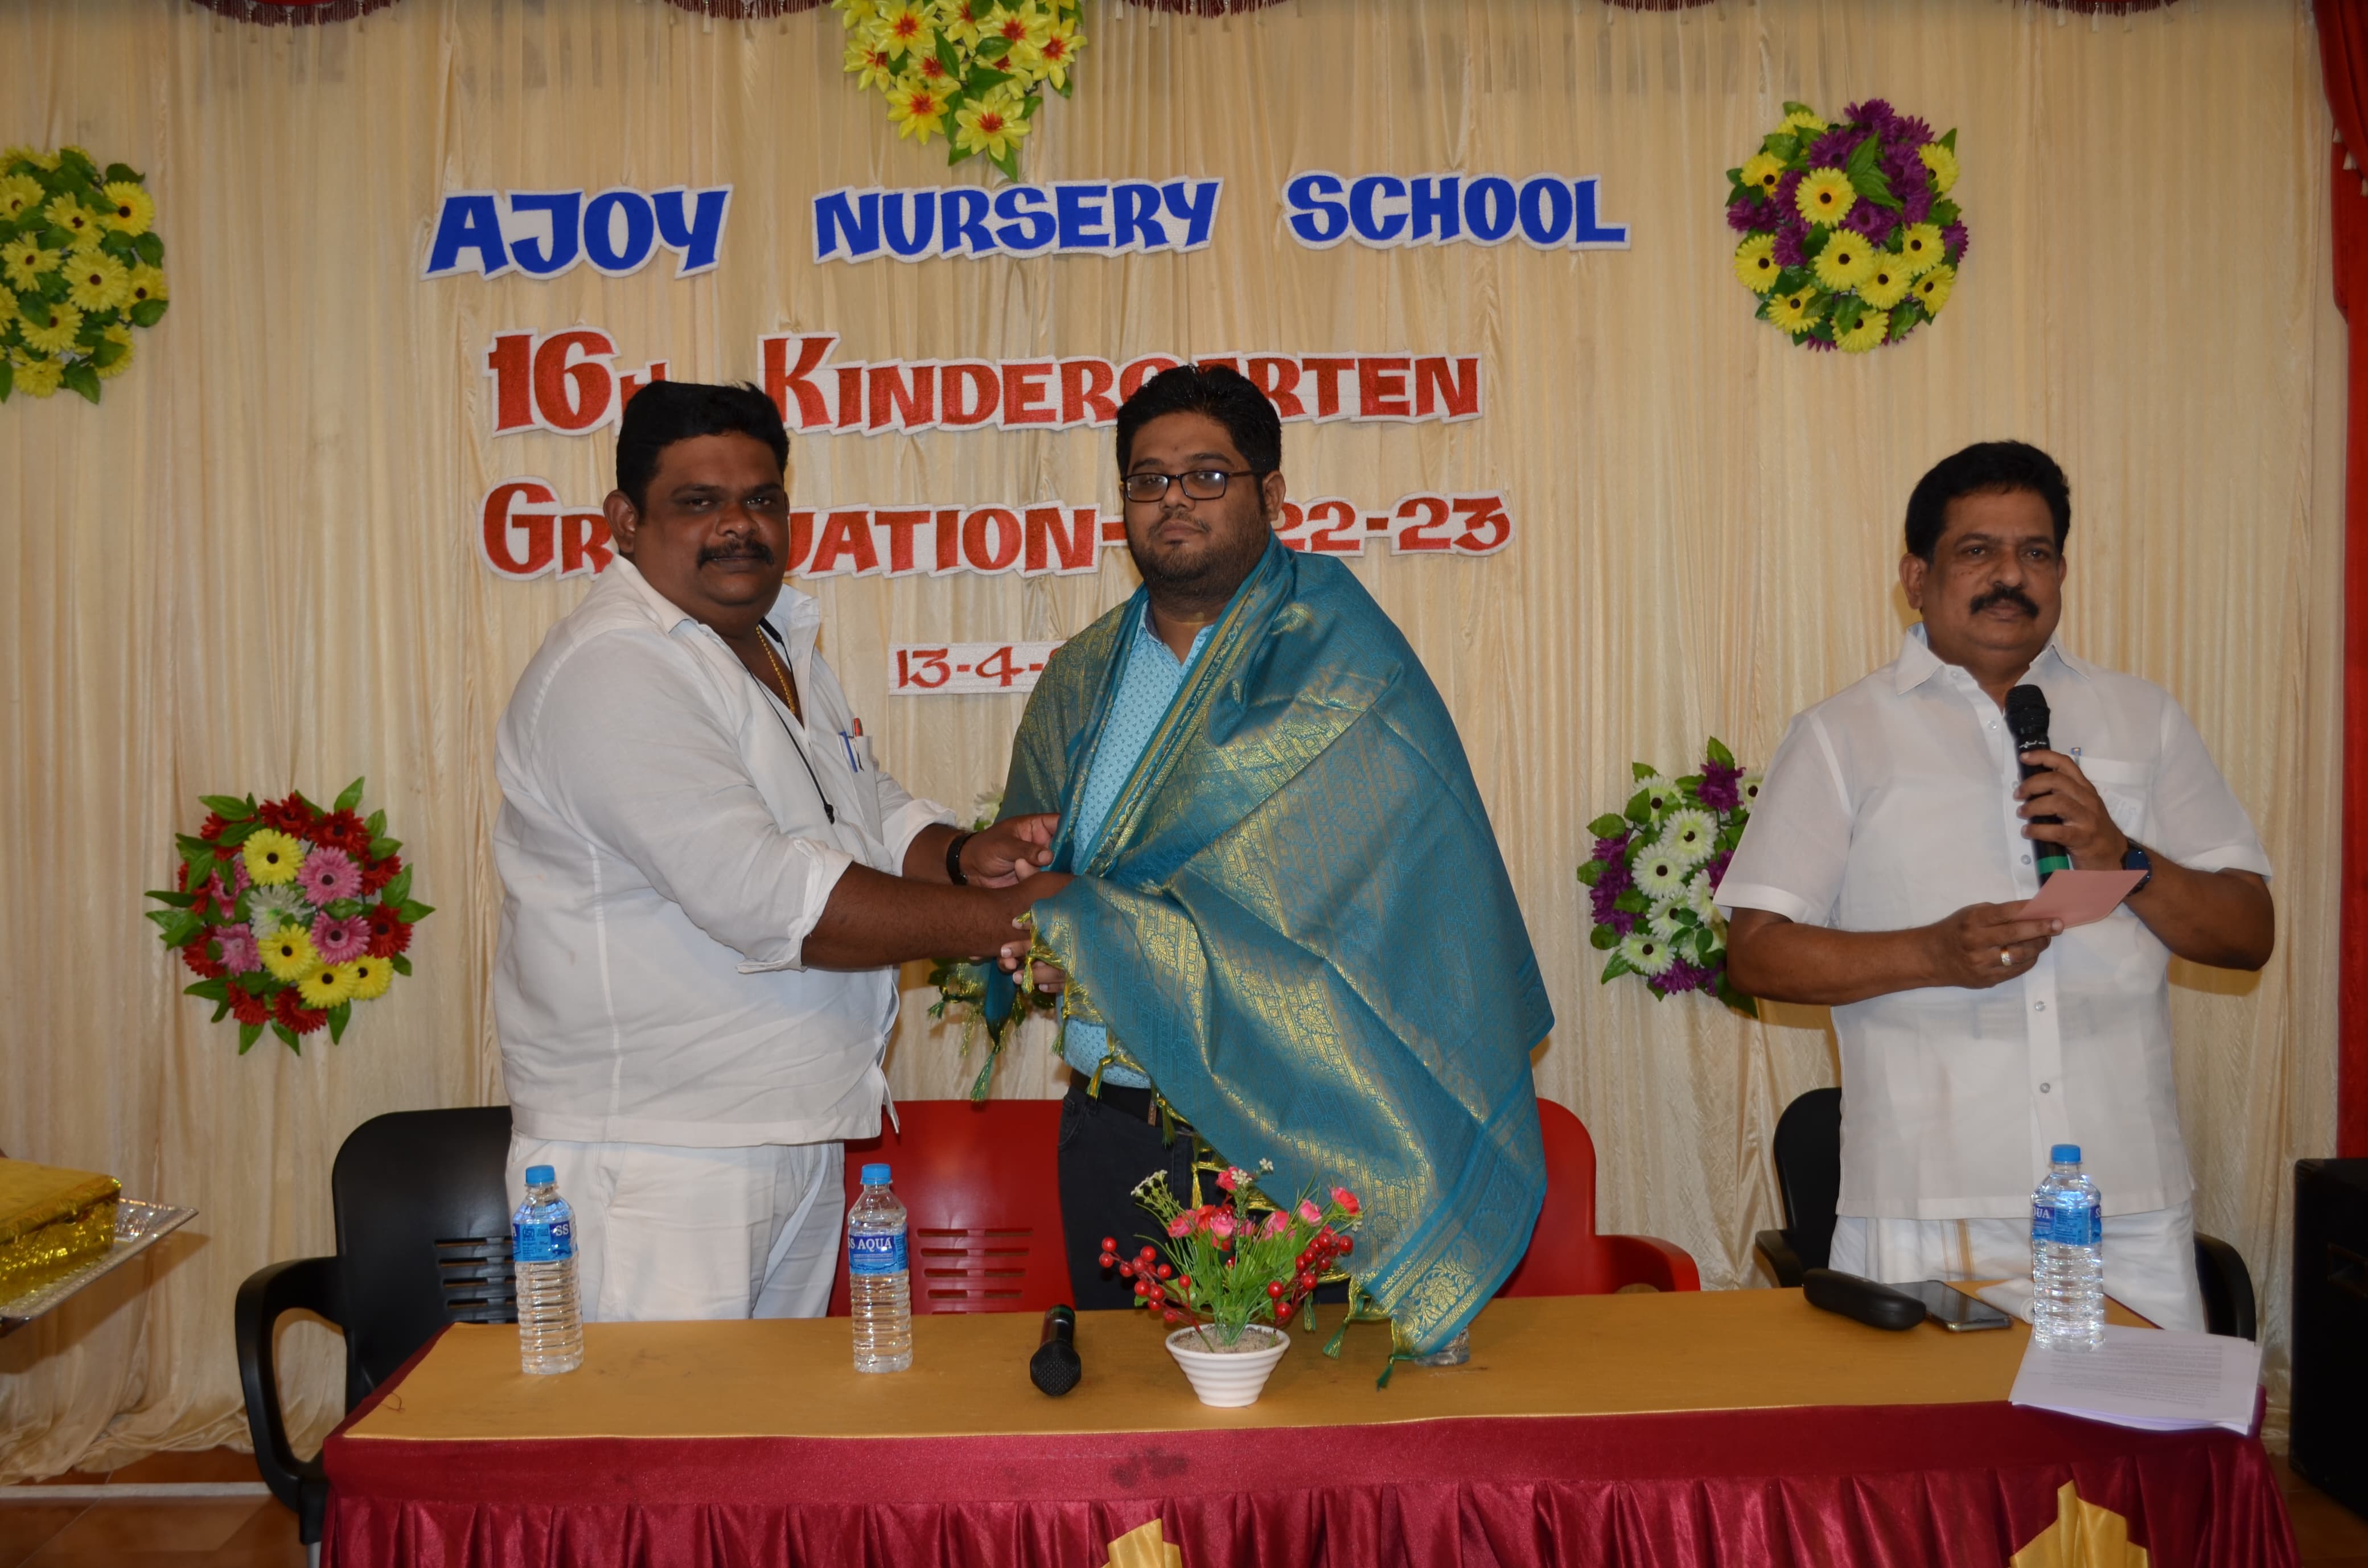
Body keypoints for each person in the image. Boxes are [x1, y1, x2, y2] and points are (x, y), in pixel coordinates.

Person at [996, 365, 1552, 1361]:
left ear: (1273, 493)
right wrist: (1038, 938)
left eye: (1207, 476)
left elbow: (1404, 904)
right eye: (1147, 478)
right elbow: (1029, 880)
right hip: (1122, 1133)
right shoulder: (1079, 681)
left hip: (1312, 1130)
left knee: (1319, 1437)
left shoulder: (1345, 663)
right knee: (1139, 1435)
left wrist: (1108, 933)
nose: (1173, 499)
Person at [492, 380, 1066, 1322]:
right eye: (698, 501)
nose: (738, 525)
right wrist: (1013, 920)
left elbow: (859, 807)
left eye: (761, 499)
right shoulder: (616, 665)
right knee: (663, 1420)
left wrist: (964, 856)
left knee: (768, 1418)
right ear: (625, 522)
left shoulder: (770, 639)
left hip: (788, 1124)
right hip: (661, 1157)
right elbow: (765, 892)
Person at [1720, 441, 2274, 1330]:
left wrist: (2123, 857)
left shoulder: (2145, 718)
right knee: (1934, 1430)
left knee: (2140, 1426)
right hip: (1925, 1206)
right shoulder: (1841, 735)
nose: (2011, 576)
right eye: (1978, 550)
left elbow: (2248, 932)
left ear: (2062, 572)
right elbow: (1756, 954)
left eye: (2036, 552)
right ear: (1917, 575)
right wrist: (1933, 954)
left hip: (2125, 1204)